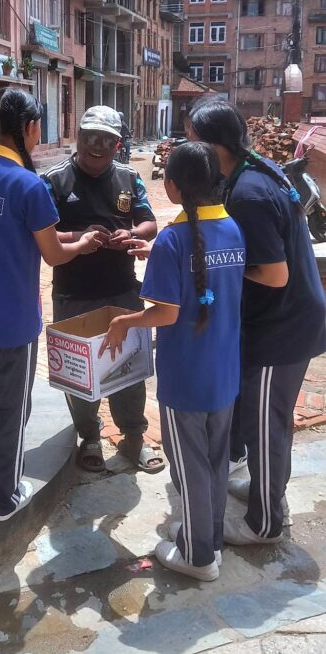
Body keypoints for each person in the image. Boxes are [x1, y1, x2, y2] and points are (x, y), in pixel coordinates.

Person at [0, 88, 101, 522]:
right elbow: (53, 254)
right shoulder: (28, 184)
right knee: (10, 409)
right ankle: (5, 497)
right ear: (28, 128)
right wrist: (82, 244)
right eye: (37, 128)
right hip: (12, 320)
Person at [100, 141, 246, 581]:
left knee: (190, 468)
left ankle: (198, 557)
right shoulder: (232, 229)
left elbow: (166, 313)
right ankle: (210, 539)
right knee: (215, 461)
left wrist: (124, 321)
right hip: (225, 371)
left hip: (186, 378)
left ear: (173, 186)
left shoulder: (172, 240)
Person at [188, 96, 326, 546]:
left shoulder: (249, 193)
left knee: (266, 424)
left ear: (214, 145)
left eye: (193, 142)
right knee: (266, 419)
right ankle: (266, 489)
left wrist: (219, 267)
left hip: (282, 327)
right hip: (283, 318)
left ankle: (265, 522)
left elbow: (273, 273)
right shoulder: (253, 168)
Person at [42, 105, 163, 474]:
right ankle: (89, 436)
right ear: (78, 137)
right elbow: (41, 235)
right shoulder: (55, 181)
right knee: (81, 372)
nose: (97, 145)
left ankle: (134, 437)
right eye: (90, 137)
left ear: (117, 144)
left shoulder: (129, 177)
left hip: (122, 290)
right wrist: (80, 238)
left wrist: (131, 233)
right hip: (73, 293)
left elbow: (150, 223)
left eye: (106, 140)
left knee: (129, 367)